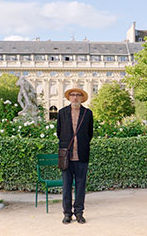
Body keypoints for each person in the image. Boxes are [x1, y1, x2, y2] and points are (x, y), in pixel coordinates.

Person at [57, 86, 93, 224]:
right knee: (66, 186)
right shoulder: (62, 112)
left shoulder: (87, 113)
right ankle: (67, 213)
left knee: (80, 186)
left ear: (82, 98)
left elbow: (90, 133)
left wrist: (81, 143)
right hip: (66, 155)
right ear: (69, 97)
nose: (75, 97)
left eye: (78, 95)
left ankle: (79, 213)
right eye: (72, 94)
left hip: (82, 155)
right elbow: (59, 132)